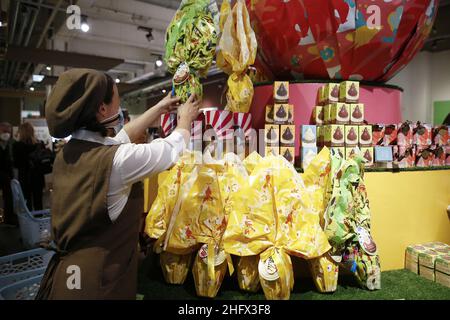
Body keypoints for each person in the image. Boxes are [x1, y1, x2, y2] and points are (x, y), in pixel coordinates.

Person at [36, 68, 200, 300]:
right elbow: (168, 151)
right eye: (116, 98)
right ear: (102, 109)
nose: (119, 105)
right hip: (97, 283)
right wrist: (185, 120)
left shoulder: (72, 150)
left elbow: (121, 137)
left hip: (70, 277)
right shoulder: (117, 161)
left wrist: (161, 106)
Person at [12, 122, 46, 211]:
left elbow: (16, 164)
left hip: (25, 177)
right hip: (38, 177)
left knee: (27, 202)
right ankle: (39, 222)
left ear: (21, 132)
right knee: (38, 202)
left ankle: (29, 223)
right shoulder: (40, 144)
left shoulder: (17, 145)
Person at [0, 122, 16, 226]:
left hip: (7, 175)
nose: (6, 133)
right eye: (4, 131)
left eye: (8, 131)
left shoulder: (11, 143)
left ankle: (8, 219)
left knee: (9, 197)